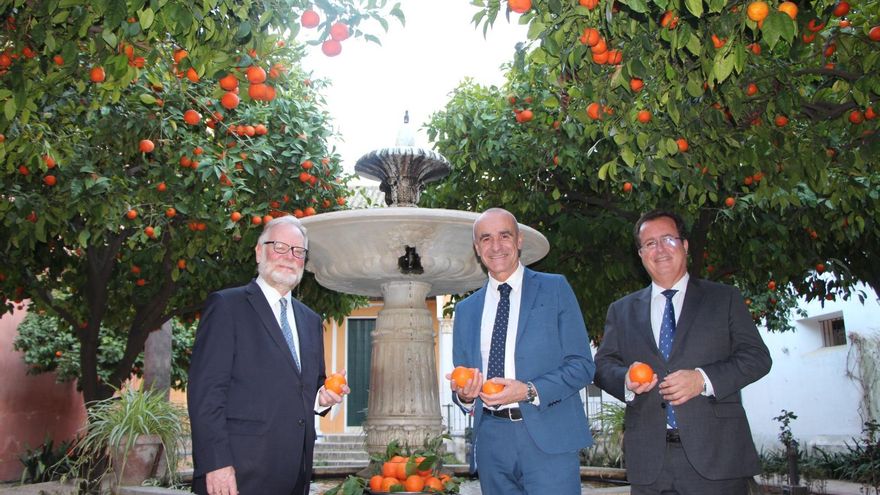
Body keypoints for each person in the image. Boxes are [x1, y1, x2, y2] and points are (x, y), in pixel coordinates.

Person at [594, 210, 772, 495]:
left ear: (685, 245)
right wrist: (626, 379)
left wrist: (703, 379)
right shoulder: (621, 310)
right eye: (649, 243)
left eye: (668, 239)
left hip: (717, 458)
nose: (660, 249)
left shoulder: (724, 298)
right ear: (640, 254)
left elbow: (757, 358)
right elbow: (603, 365)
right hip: (649, 463)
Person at [187, 215, 347, 495]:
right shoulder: (227, 306)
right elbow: (206, 393)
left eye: (298, 251)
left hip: (295, 474)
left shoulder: (310, 320)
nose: (289, 256)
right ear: (259, 251)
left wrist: (322, 398)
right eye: (280, 247)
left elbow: (306, 387)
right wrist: (216, 464)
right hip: (238, 474)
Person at [448, 207, 594, 494]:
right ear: (477, 248)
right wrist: (464, 395)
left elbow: (582, 365)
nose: (496, 245)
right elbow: (463, 379)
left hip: (549, 435)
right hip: (492, 441)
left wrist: (528, 390)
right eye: (486, 238)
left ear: (519, 241)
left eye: (505, 235)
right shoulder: (466, 311)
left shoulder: (555, 289)